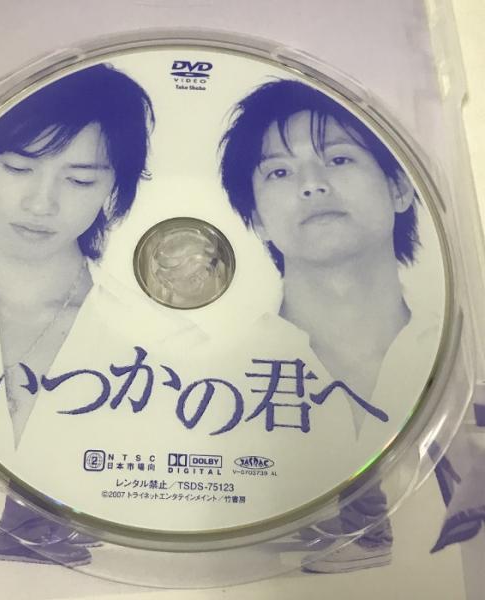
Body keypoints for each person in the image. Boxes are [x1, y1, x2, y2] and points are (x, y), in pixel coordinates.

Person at [219, 79, 435, 573]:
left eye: (339, 159)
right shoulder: (211, 369)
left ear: (400, 188)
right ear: (255, 218)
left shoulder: (461, 357)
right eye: (279, 171)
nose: (311, 185)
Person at [0, 63, 154, 565]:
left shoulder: (148, 335)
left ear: (113, 189)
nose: (41, 203)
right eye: (18, 169)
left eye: (80, 179)